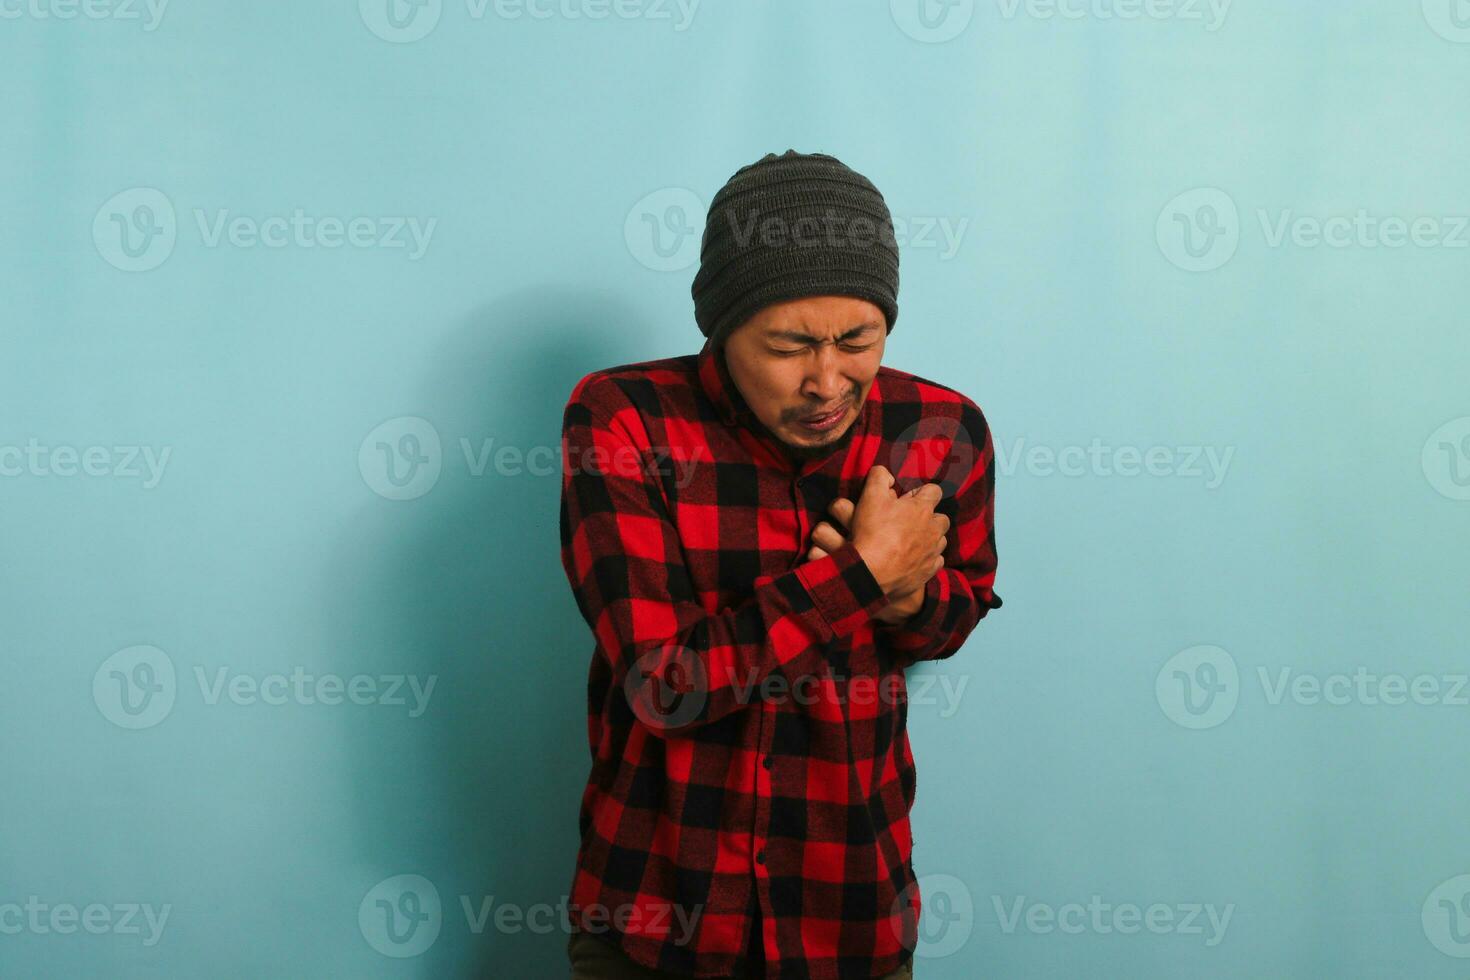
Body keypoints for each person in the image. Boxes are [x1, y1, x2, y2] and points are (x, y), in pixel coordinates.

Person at [559, 150, 1002, 979]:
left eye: (857, 339)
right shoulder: (622, 421)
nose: (827, 381)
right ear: (722, 328)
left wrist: (913, 595)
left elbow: (956, 616)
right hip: (654, 921)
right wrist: (860, 576)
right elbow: (665, 683)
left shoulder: (944, 429)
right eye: (790, 345)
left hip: (850, 914)